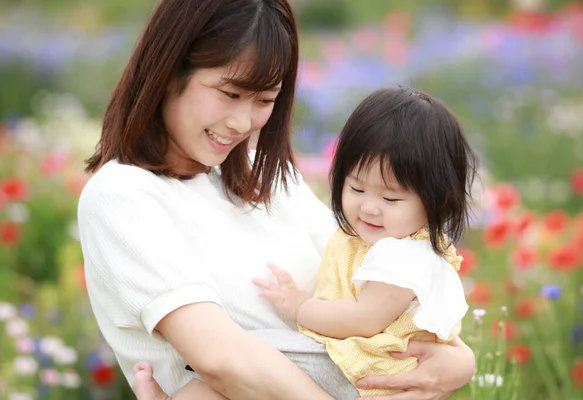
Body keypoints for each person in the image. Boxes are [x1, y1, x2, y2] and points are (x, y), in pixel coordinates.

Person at [77, 0, 476, 399]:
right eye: (230, 93)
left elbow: (374, 286)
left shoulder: (265, 176)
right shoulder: (122, 195)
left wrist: (460, 362)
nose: (242, 123)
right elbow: (222, 360)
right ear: (168, 72)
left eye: (264, 100)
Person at [131, 86, 476, 400]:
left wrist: (299, 307)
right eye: (356, 188)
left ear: (436, 203)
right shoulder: (374, 240)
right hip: (351, 363)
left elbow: (363, 319)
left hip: (361, 370)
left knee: (255, 354)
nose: (369, 207)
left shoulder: (404, 256)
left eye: (391, 199)